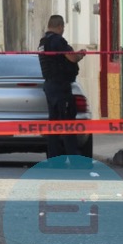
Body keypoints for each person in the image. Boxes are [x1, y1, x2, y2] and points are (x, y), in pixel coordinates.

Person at [38, 14, 86, 158]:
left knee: (54, 123)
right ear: (60, 26)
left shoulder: (43, 42)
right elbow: (71, 57)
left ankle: (53, 157)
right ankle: (72, 157)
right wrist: (80, 55)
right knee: (67, 123)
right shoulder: (57, 40)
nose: (63, 29)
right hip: (60, 86)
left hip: (50, 85)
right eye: (63, 27)